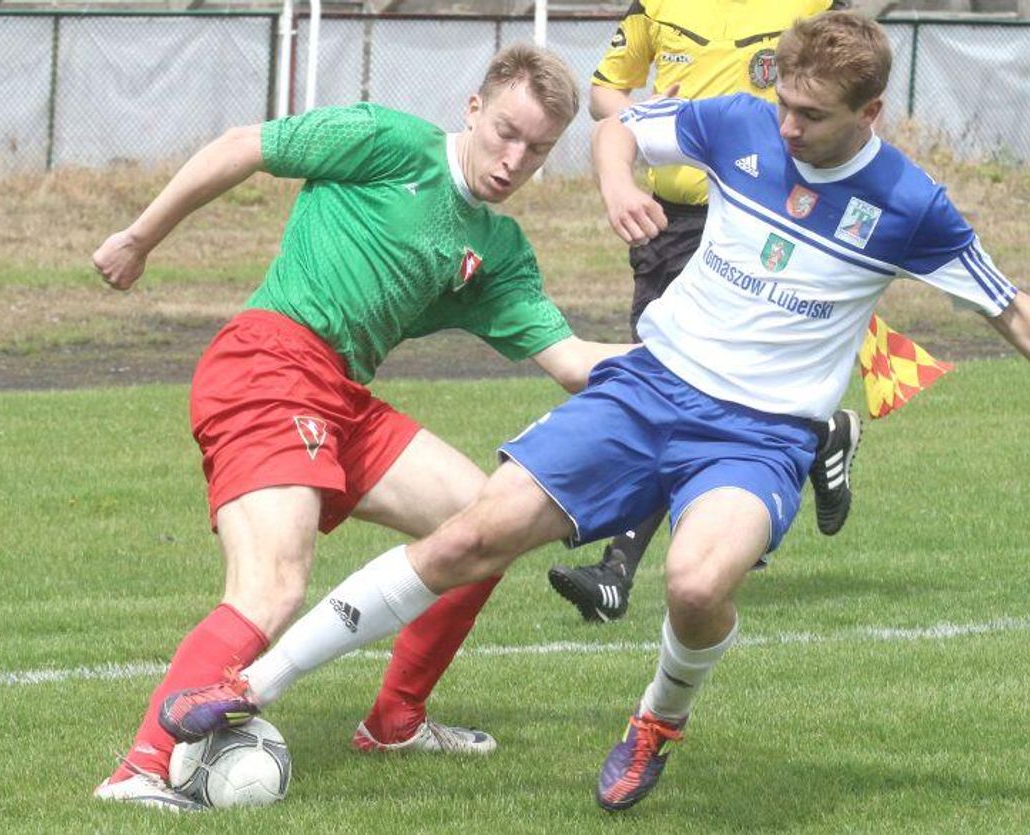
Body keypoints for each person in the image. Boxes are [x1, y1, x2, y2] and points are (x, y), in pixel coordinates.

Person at [157, 10, 1030, 812]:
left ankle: (656, 721)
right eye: (784, 104)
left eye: (812, 116)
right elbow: (619, 129)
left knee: (695, 583)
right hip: (649, 391)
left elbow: (1015, 312)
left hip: (759, 434)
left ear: (870, 114)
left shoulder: (909, 205)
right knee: (470, 535)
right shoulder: (739, 122)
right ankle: (250, 685)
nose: (789, 127)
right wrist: (617, 182)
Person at [91, 44, 631, 811]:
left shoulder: (498, 249)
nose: (514, 159)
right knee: (273, 585)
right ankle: (141, 769)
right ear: (474, 109)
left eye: (537, 149)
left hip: (341, 396)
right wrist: (140, 238)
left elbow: (573, 361)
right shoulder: (389, 140)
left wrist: (689, 361)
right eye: (505, 132)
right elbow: (243, 146)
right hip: (268, 364)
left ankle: (394, 721)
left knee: (485, 526)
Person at [548, 0, 861, 624]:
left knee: (672, 386)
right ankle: (815, 434)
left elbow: (850, 86)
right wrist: (639, 119)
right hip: (667, 222)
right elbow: (606, 92)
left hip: (753, 218)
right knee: (666, 382)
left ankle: (615, 571)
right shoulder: (656, 5)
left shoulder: (813, 7)